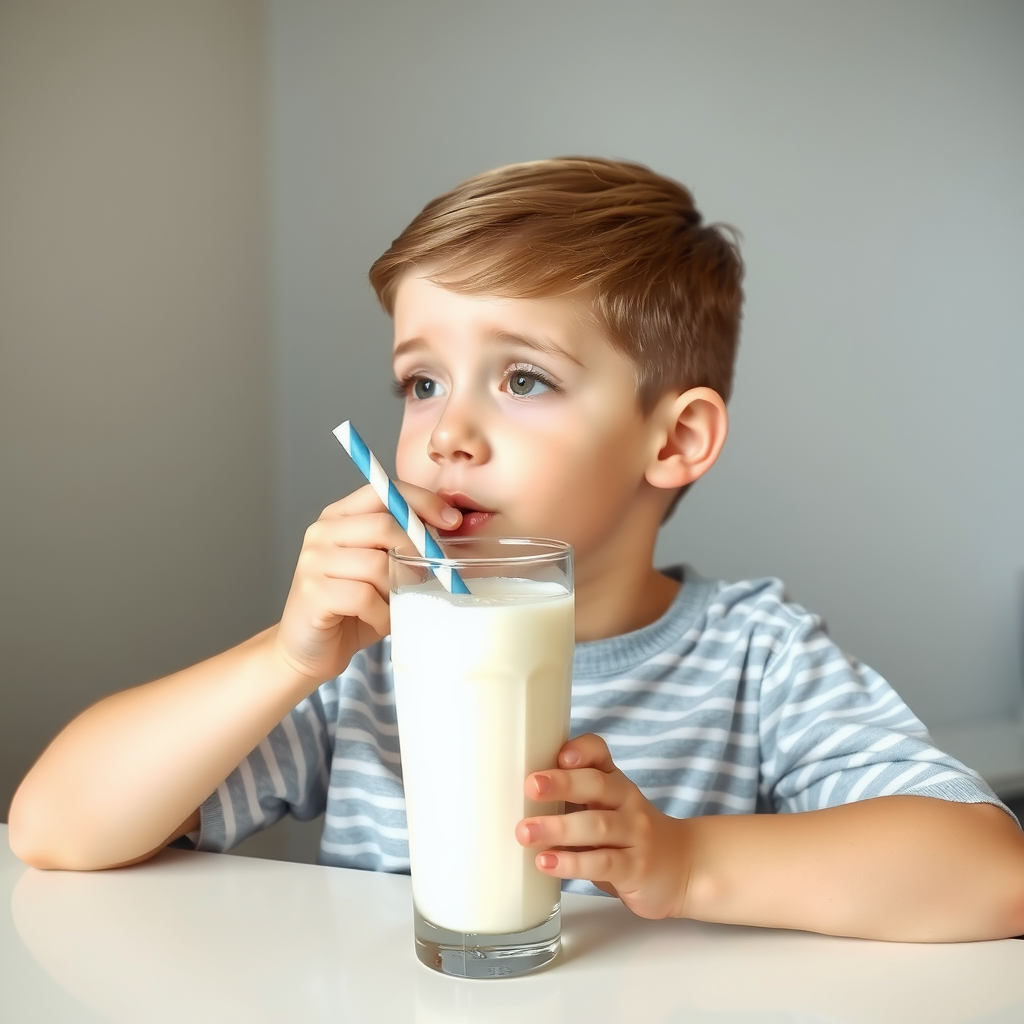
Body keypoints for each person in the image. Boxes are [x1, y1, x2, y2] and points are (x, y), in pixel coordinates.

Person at [9, 157, 1024, 940]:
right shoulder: (374, 653)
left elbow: (990, 872)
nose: (445, 432)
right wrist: (287, 657)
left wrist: (677, 861)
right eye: (421, 382)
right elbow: (54, 827)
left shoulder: (754, 657)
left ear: (672, 440)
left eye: (523, 379)